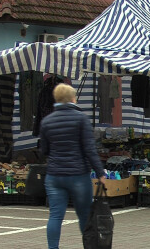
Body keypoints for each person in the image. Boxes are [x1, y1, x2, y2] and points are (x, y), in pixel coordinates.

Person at [39, 83, 106, 249]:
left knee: (55, 216)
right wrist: (100, 172)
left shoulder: (46, 121)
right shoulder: (81, 119)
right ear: (72, 98)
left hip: (54, 175)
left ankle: (52, 247)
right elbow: (89, 149)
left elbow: (44, 150)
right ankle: (89, 246)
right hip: (78, 175)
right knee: (84, 215)